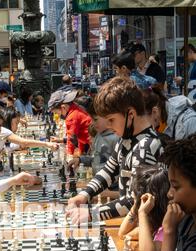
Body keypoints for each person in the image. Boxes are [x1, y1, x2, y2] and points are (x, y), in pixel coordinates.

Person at [67, 77, 163, 222]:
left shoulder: (146, 146)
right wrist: (85, 194)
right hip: (130, 225)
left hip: (145, 230)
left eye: (111, 120)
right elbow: (108, 171)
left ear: (130, 114)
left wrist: (93, 213)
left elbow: (135, 199)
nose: (109, 126)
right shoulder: (126, 140)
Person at [149, 137, 196, 251]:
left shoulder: (177, 223)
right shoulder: (185, 220)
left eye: (176, 187)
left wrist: (168, 231)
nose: (169, 193)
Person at [118, 165, 169, 251]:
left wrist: (142, 213)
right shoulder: (154, 225)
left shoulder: (167, 225)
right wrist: (135, 205)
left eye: (136, 196)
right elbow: (123, 234)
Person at [48, 89, 92, 156]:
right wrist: (81, 152)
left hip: (93, 142)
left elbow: (71, 139)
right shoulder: (75, 108)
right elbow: (79, 136)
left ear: (63, 107)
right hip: (91, 142)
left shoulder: (71, 117)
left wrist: (69, 155)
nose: (58, 115)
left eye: (56, 112)